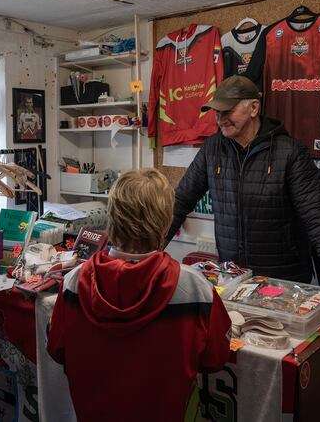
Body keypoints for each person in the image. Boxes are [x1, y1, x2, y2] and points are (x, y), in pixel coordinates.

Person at [167, 76, 320, 324]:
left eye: (228, 110)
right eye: (216, 112)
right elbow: (178, 203)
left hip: (284, 286)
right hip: (234, 284)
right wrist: (145, 257)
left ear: (254, 108)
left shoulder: (289, 153)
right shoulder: (212, 150)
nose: (220, 118)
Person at [47, 169, 231, 421]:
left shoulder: (73, 283)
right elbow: (215, 359)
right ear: (166, 224)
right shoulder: (197, 290)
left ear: (111, 218)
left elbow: (56, 350)